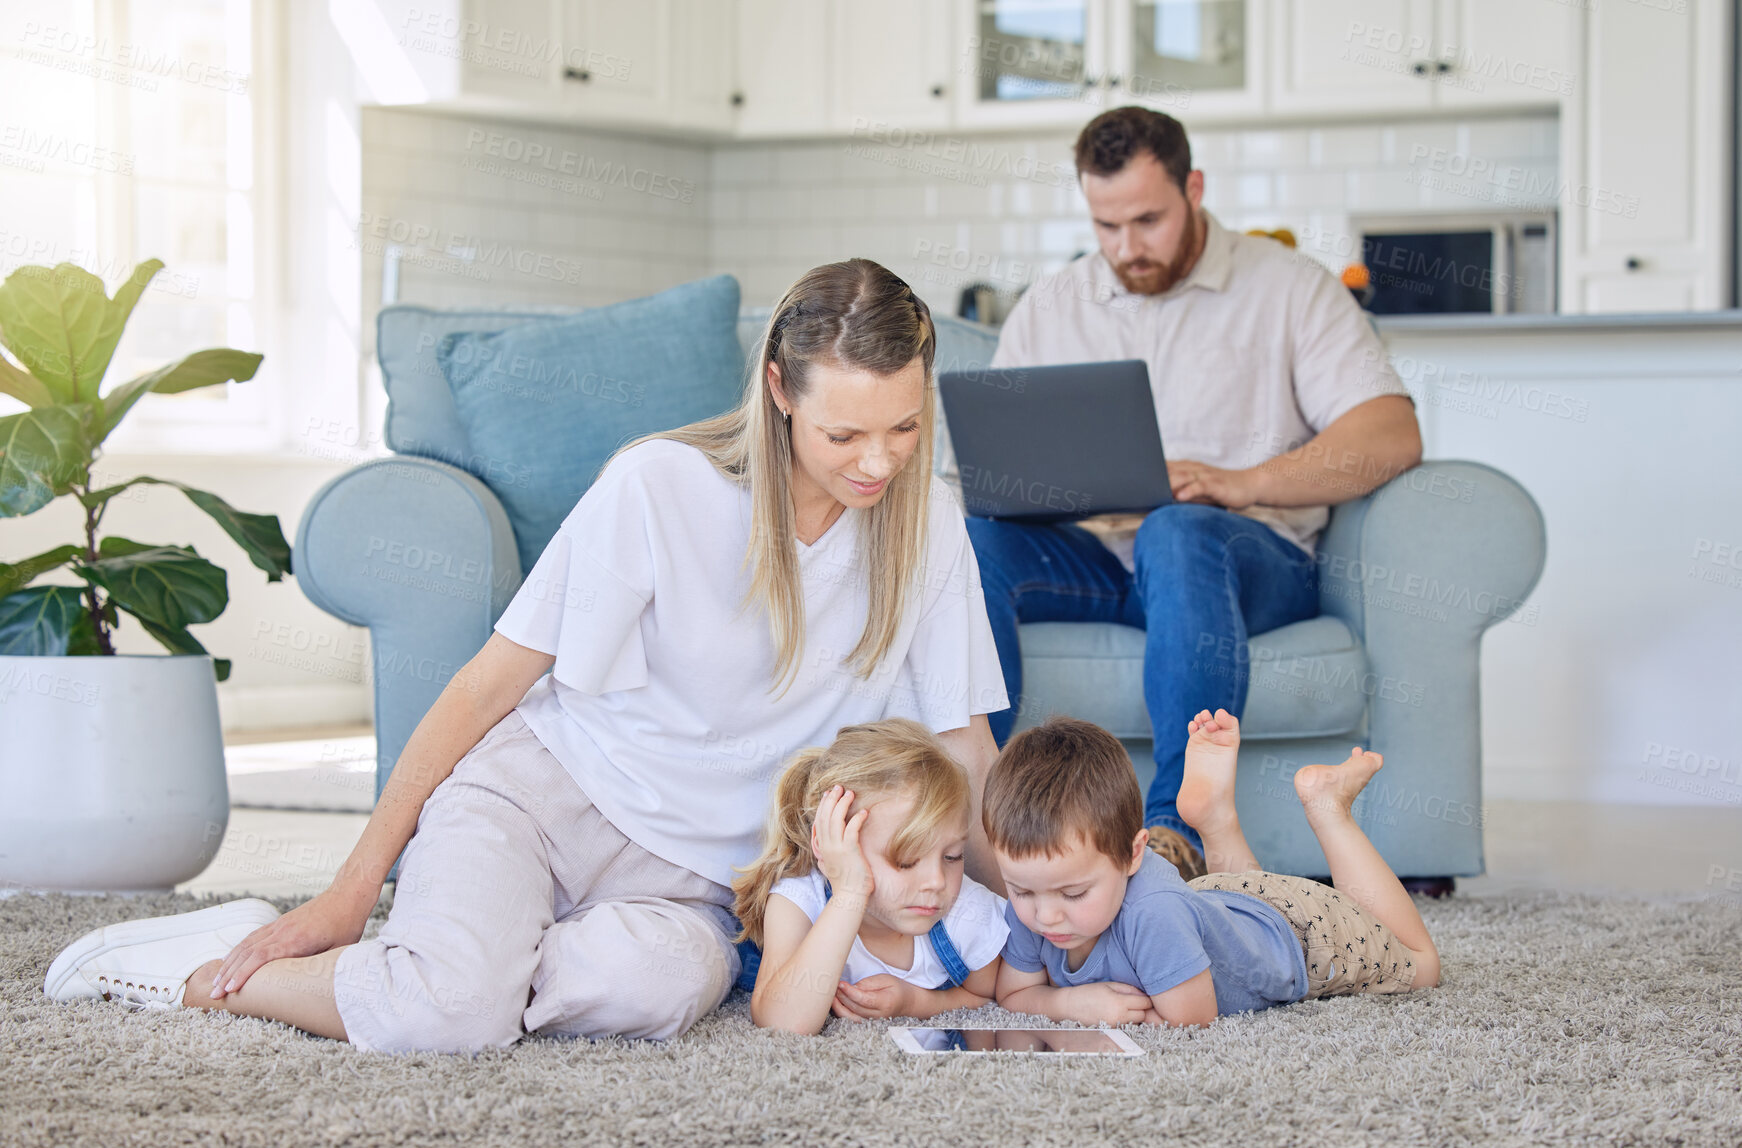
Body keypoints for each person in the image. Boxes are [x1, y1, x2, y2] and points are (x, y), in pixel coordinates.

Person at [42, 259, 1010, 1051]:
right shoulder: (657, 489)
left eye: (904, 428)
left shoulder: (928, 533)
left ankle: (457, 958)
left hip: (696, 882)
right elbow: (487, 684)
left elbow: (964, 744)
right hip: (540, 801)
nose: (877, 463)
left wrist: (1060, 902)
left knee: (660, 989)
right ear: (777, 392)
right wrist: (349, 891)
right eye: (844, 432)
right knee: (443, 1018)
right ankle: (216, 972)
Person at [952, 106, 1423, 878]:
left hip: (1250, 562)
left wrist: (1241, 484)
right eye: (1106, 226)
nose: (1126, 248)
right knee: (974, 544)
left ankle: (1178, 832)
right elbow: (1002, 467)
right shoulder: (1053, 305)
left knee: (1178, 528)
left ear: (1194, 188)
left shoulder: (1290, 289)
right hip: (1103, 564)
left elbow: (1392, 433)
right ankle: (984, 827)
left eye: (1148, 219)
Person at [982, 713, 1440, 1026]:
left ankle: (1329, 809)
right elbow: (1013, 996)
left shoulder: (1153, 914)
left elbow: (1191, 1020)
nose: (1044, 917)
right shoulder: (1038, 895)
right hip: (1218, 898)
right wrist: (1068, 1003)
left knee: (1421, 965)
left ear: (1132, 855)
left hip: (1301, 935)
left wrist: (1090, 1008)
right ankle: (1216, 818)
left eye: (1074, 894)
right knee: (1235, 911)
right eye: (1021, 892)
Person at [733, 718, 1007, 1034]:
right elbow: (783, 1024)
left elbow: (993, 997)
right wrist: (849, 893)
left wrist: (916, 1003)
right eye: (906, 861)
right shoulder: (798, 903)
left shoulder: (967, 911)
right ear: (834, 846)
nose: (937, 881)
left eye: (952, 856)